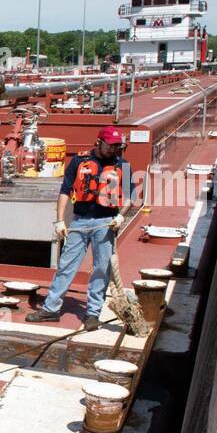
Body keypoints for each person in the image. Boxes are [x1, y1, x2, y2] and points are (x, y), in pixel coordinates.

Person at [26, 126, 141, 330]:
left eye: (117, 146)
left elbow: (130, 197)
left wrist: (121, 217)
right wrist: (60, 220)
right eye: (111, 145)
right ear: (99, 143)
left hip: (106, 223)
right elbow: (65, 191)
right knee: (66, 266)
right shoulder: (79, 162)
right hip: (79, 221)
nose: (114, 149)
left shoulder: (122, 165)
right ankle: (51, 309)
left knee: (101, 270)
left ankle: (93, 314)